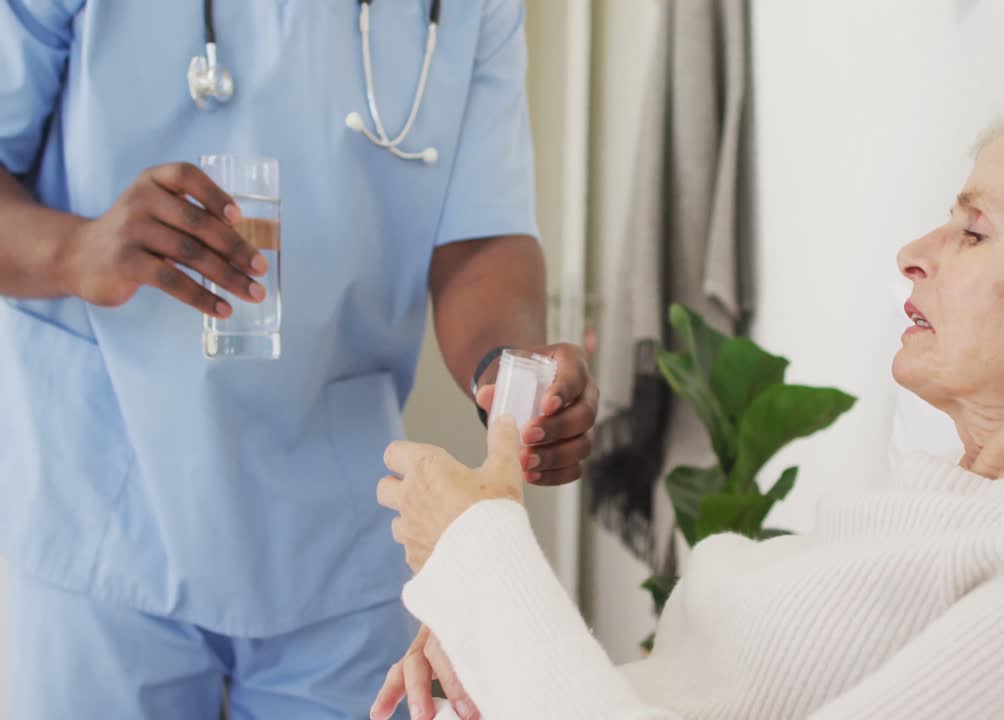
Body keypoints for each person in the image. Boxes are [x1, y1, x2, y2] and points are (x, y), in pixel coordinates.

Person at [372, 97, 1004, 719]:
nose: (914, 252)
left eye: (973, 229)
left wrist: (483, 555)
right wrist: (489, 654)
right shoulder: (927, 506)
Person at [0, 1, 597, 718]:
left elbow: (482, 233)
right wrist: (73, 251)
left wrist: (508, 372)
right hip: (104, 497)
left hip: (332, 531)